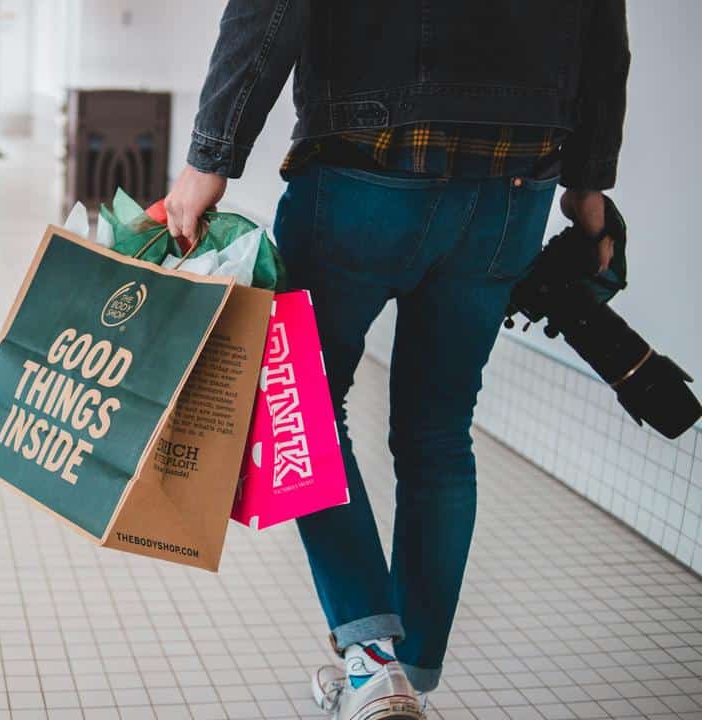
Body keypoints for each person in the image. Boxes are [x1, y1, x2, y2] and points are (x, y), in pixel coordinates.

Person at [166, 2, 630, 719]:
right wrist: (589, 188)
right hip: (515, 186)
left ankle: (373, 665)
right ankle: (408, 666)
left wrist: (209, 158)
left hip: (364, 167)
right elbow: (603, 32)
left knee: (305, 408)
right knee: (439, 434)